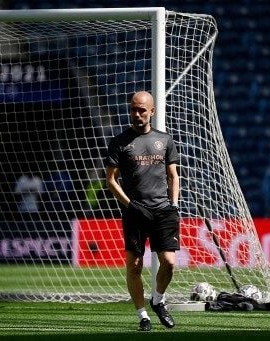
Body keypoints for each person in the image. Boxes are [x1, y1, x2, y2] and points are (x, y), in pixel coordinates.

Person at [105, 91, 180, 331]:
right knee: (135, 265)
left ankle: (158, 300)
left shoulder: (165, 140)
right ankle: (143, 316)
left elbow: (173, 176)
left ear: (152, 112)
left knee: (169, 263)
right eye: (133, 110)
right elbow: (111, 180)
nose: (137, 114)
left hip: (162, 210)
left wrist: (174, 204)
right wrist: (130, 206)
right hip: (134, 212)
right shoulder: (119, 141)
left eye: (142, 110)